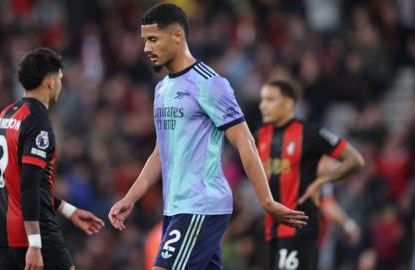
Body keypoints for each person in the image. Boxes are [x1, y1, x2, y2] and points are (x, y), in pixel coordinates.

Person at [108, 4, 308, 270]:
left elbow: (245, 141)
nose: (146, 48)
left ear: (177, 36)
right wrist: (130, 198)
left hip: (201, 205)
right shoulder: (162, 89)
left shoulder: (210, 84)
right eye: (145, 40)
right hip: (175, 208)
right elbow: (161, 152)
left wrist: (266, 201)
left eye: (153, 39)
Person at [0, 48, 105, 270]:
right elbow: (29, 186)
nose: (61, 84)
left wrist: (69, 211)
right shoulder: (37, 122)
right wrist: (35, 244)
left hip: (0, 237)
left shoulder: (5, 115)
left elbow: (23, 184)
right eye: (60, 78)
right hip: (33, 234)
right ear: (50, 81)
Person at [255, 78, 365, 270]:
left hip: (298, 228)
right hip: (271, 230)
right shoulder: (260, 136)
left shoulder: (309, 133)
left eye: (270, 99)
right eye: (262, 99)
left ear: (289, 103)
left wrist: (321, 182)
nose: (263, 105)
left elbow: (355, 160)